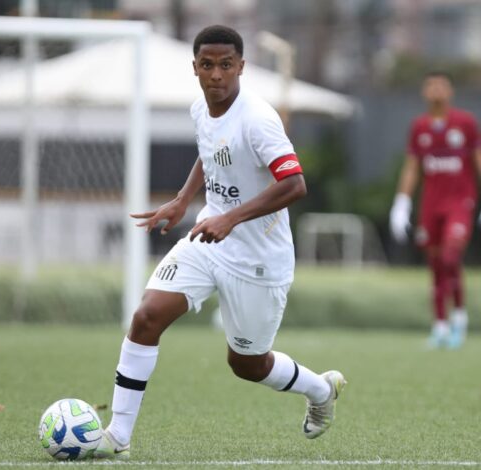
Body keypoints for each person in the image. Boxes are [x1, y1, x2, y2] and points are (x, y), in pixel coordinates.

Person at [95, 25, 346, 459]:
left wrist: (231, 218)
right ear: (194, 67)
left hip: (258, 260)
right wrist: (182, 200)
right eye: (207, 65)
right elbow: (211, 151)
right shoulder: (200, 108)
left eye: (226, 65)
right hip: (208, 239)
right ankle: (117, 436)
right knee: (147, 316)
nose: (216, 74)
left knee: (247, 364)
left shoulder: (258, 119)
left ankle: (320, 390)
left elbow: (295, 185)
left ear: (241, 67)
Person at [389, 71, 481, 349]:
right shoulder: (419, 127)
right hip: (431, 204)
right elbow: (412, 168)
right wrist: (401, 203)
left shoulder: (465, 123)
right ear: (424, 91)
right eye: (431, 85)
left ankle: (460, 316)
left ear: (450, 90)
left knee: (450, 256)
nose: (436, 90)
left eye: (441, 85)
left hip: (460, 202)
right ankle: (440, 325)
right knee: (434, 264)